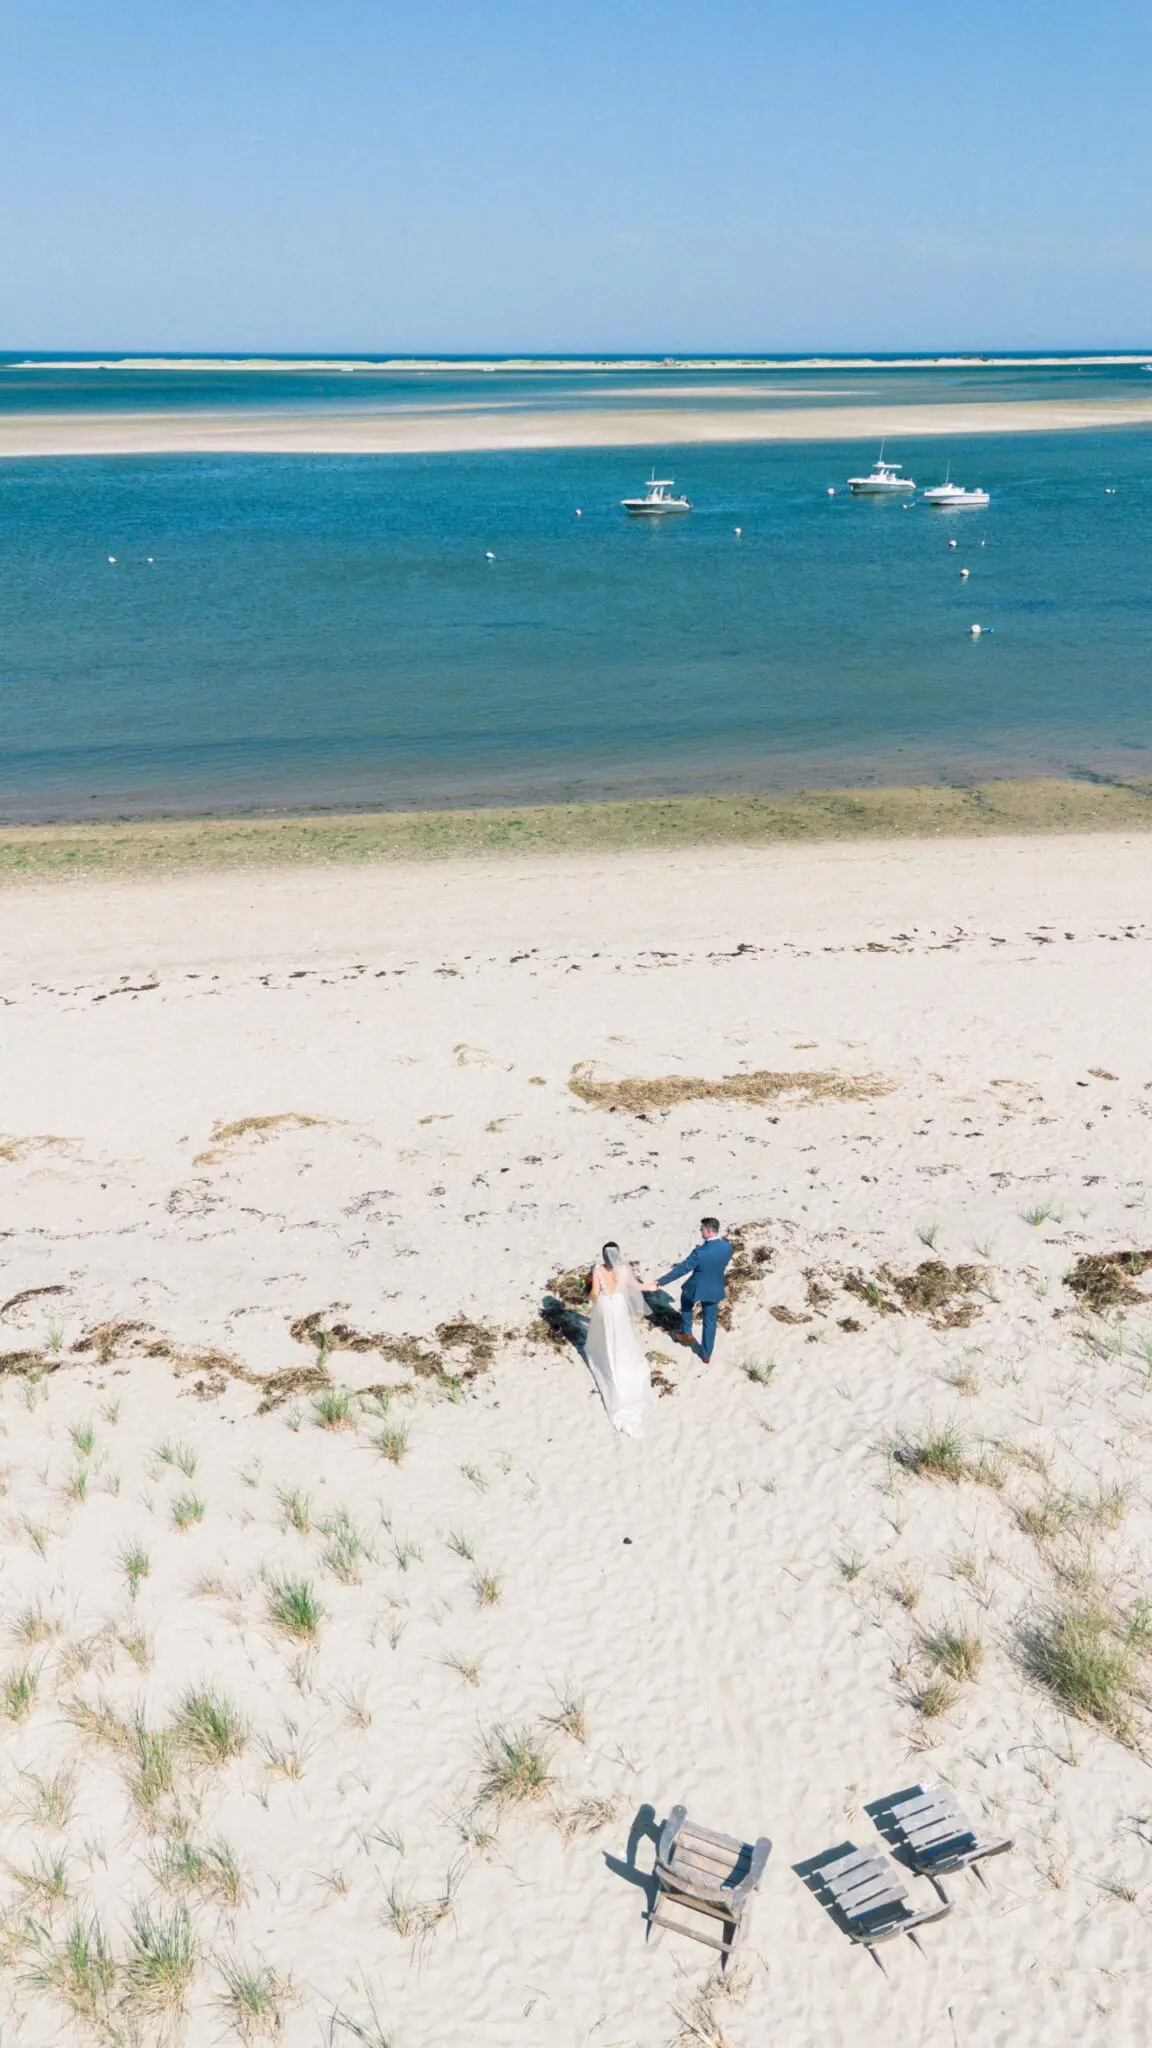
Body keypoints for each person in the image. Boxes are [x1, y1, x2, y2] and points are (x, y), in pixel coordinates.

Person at [584, 1242, 653, 1438]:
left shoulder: (597, 1269)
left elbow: (595, 1293)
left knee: (606, 1336)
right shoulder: (623, 1269)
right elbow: (634, 1285)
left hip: (606, 1306)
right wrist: (649, 1286)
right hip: (619, 1306)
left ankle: (608, 1361)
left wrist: (586, 1293)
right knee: (622, 1335)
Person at [657, 1217, 733, 1362]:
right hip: (715, 1287)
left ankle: (686, 1333)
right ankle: (706, 1355)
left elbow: (682, 1269)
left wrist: (661, 1281)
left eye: (702, 1228)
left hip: (697, 1286)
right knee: (710, 1322)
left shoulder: (700, 1252)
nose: (700, 1230)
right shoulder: (727, 1247)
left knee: (685, 1300)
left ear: (709, 1231)